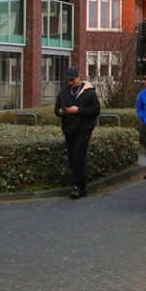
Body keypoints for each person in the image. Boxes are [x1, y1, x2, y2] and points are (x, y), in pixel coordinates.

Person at [55, 66, 101, 199]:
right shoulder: (64, 91)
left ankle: (77, 186)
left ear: (78, 77)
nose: (70, 82)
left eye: (72, 79)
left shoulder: (88, 91)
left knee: (78, 156)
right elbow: (56, 109)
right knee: (71, 157)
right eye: (68, 80)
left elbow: (95, 109)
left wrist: (79, 110)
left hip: (84, 128)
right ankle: (82, 186)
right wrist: (61, 111)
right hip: (69, 128)